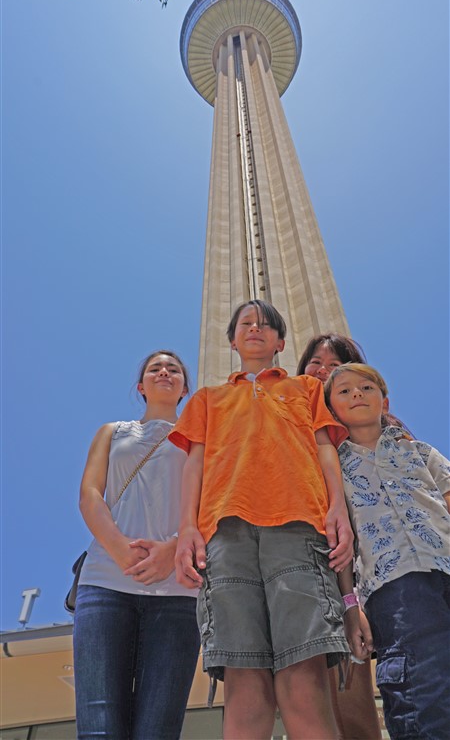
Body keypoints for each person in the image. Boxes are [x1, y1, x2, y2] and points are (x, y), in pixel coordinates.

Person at [170, 299, 354, 740]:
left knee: (304, 676)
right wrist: (187, 530)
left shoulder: (305, 390)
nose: (255, 329)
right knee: (244, 681)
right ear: (232, 341)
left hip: (299, 526)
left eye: (266, 325)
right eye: (246, 325)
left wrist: (337, 509)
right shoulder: (207, 399)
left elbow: (326, 449)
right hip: (225, 535)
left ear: (281, 342)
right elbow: (193, 465)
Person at [73, 351, 200, 740]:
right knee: (99, 724)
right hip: (106, 583)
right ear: (141, 387)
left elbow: (213, 504)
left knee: (158, 728)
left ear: (184, 388)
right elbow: (90, 494)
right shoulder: (113, 432)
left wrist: (174, 549)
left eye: (174, 369)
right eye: (155, 368)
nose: (165, 371)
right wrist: (120, 549)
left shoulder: (201, 440)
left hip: (178, 590)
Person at [324, 363, 450, 740]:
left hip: (444, 565)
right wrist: (350, 605)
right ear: (331, 411)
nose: (357, 394)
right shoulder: (333, 466)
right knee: (422, 692)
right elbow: (340, 542)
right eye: (344, 391)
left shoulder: (419, 451)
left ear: (385, 400)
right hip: (393, 589)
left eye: (366, 387)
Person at [297, 334, 382, 740]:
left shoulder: (377, 434)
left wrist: (352, 603)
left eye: (337, 363)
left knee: (355, 707)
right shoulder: (294, 430)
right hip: (300, 572)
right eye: (315, 362)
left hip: (366, 584)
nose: (324, 370)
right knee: (310, 706)